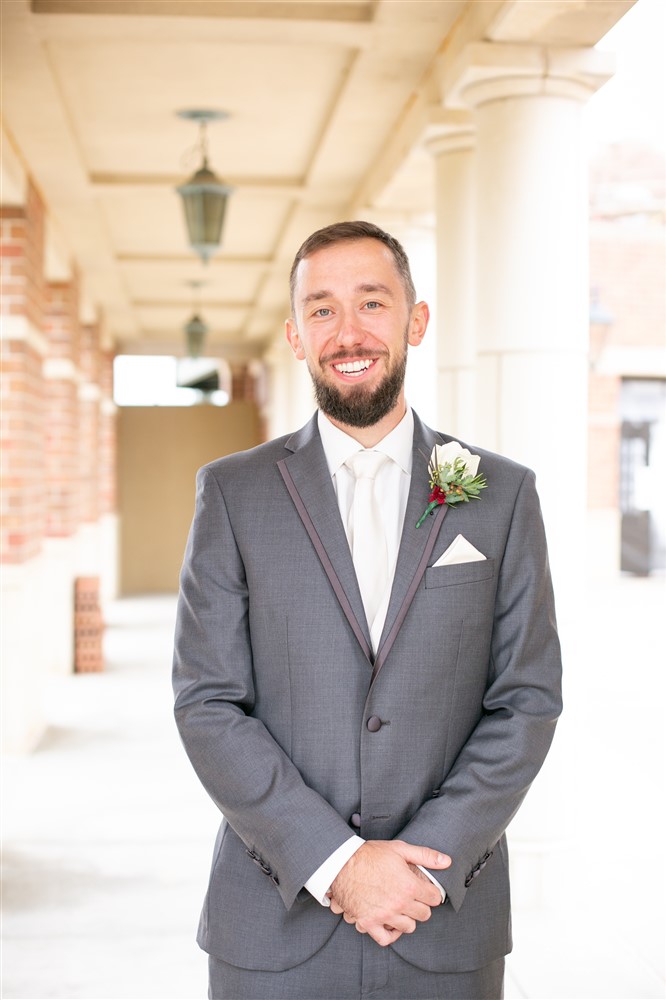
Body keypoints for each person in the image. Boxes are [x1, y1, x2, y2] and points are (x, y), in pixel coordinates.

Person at [172, 220, 562, 1000]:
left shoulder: (499, 493)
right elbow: (208, 702)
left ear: (415, 320)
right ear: (294, 335)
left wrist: (417, 862)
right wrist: (336, 862)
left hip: (441, 920)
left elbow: (526, 700)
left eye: (372, 303)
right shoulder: (233, 492)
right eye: (321, 310)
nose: (348, 332)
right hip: (272, 927)